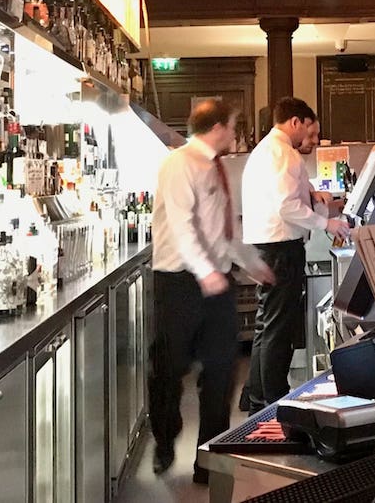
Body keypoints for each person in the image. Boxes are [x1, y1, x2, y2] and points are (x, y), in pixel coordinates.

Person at [148, 98, 273, 482]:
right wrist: (205, 273)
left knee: (222, 371)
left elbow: (222, 232)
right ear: (217, 128)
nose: (235, 134)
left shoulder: (217, 169)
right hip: (179, 283)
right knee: (169, 369)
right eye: (233, 126)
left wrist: (251, 264)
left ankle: (210, 461)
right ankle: (166, 439)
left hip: (217, 282)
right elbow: (184, 226)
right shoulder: (178, 164)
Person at [239, 97, 351, 412]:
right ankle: (274, 399)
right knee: (279, 326)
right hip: (280, 248)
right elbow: (286, 206)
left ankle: (257, 396)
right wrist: (326, 222)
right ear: (296, 122)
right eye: (311, 132)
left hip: (266, 245)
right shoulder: (284, 153)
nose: (312, 141)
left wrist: (311, 193)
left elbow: (284, 195)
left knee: (267, 322)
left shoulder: (267, 150)